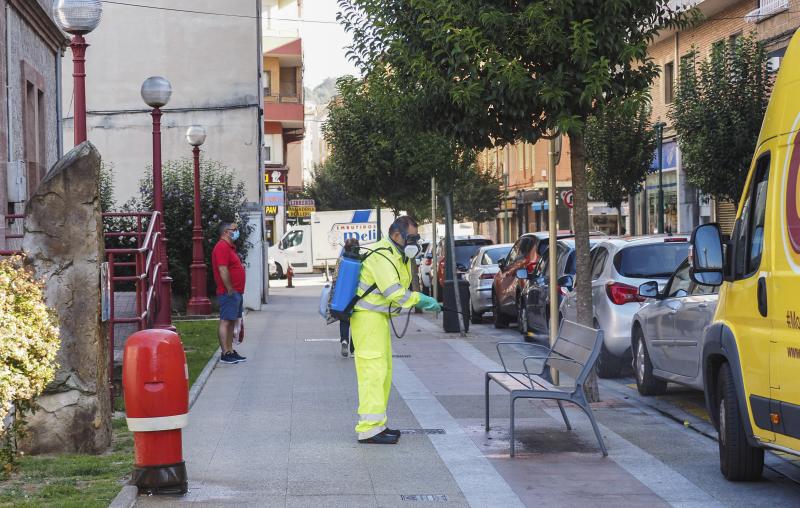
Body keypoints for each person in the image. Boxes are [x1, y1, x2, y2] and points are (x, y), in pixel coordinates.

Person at [350, 216, 441, 444]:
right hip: (367, 319)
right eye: (412, 237)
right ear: (396, 235)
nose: (415, 242)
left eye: (417, 238)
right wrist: (422, 299)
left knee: (383, 372)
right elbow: (394, 292)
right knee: (373, 373)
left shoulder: (395, 255)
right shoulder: (382, 255)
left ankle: (378, 425)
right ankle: (368, 429)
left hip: (376, 319)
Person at [211, 221, 247, 365]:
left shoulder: (229, 247)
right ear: (226, 232)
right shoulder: (221, 247)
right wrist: (229, 288)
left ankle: (230, 351)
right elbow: (222, 269)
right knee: (226, 321)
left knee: (231, 320)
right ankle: (225, 353)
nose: (237, 231)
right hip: (229, 292)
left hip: (236, 291)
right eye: (234, 229)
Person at [334, 238, 360, 357]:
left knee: (344, 320)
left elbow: (335, 278)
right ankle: (354, 350)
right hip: (357, 296)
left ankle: (344, 339)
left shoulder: (341, 261)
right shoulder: (361, 262)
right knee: (355, 322)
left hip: (343, 295)